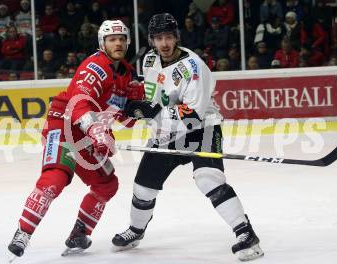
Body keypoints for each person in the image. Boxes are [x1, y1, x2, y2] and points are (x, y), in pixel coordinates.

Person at [111, 13, 264, 262]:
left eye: (169, 37)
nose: (164, 43)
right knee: (143, 187)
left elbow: (193, 116)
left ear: (177, 37)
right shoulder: (150, 59)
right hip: (166, 132)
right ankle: (136, 230)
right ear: (151, 40)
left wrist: (154, 111)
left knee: (208, 179)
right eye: (159, 38)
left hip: (202, 128)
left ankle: (246, 233)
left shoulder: (193, 67)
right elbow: (153, 94)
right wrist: (139, 103)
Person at [7, 20, 143, 261]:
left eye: (122, 38)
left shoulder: (126, 74)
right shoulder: (96, 66)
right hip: (64, 122)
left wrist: (137, 110)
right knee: (55, 179)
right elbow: (78, 102)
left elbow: (121, 116)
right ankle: (23, 233)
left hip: (88, 131)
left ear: (128, 41)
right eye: (112, 39)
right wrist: (97, 130)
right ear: (103, 43)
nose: (118, 42)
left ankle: (80, 233)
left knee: (106, 184)